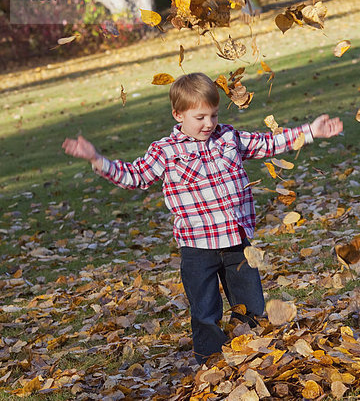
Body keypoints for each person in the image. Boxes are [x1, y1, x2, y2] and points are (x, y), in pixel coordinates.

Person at [62, 72, 343, 364]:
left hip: (237, 242)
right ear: (178, 114)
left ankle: (252, 355)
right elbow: (135, 176)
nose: (208, 124)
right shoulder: (166, 151)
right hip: (198, 248)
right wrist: (97, 159)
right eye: (200, 117)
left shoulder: (228, 137)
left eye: (213, 115)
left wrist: (310, 131)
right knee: (205, 312)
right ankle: (211, 366)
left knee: (251, 305)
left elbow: (267, 143)